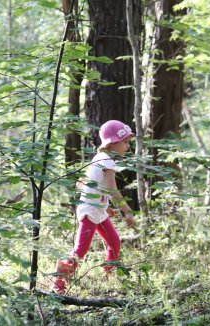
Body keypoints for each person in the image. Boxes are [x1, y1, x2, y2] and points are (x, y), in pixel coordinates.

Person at [53, 120, 136, 294]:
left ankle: (109, 278)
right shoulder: (107, 161)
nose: (128, 146)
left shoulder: (99, 158)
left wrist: (104, 205)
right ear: (112, 142)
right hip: (90, 212)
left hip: (96, 210)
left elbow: (81, 184)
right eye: (126, 142)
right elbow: (112, 188)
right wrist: (127, 212)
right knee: (80, 251)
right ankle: (58, 284)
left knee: (114, 242)